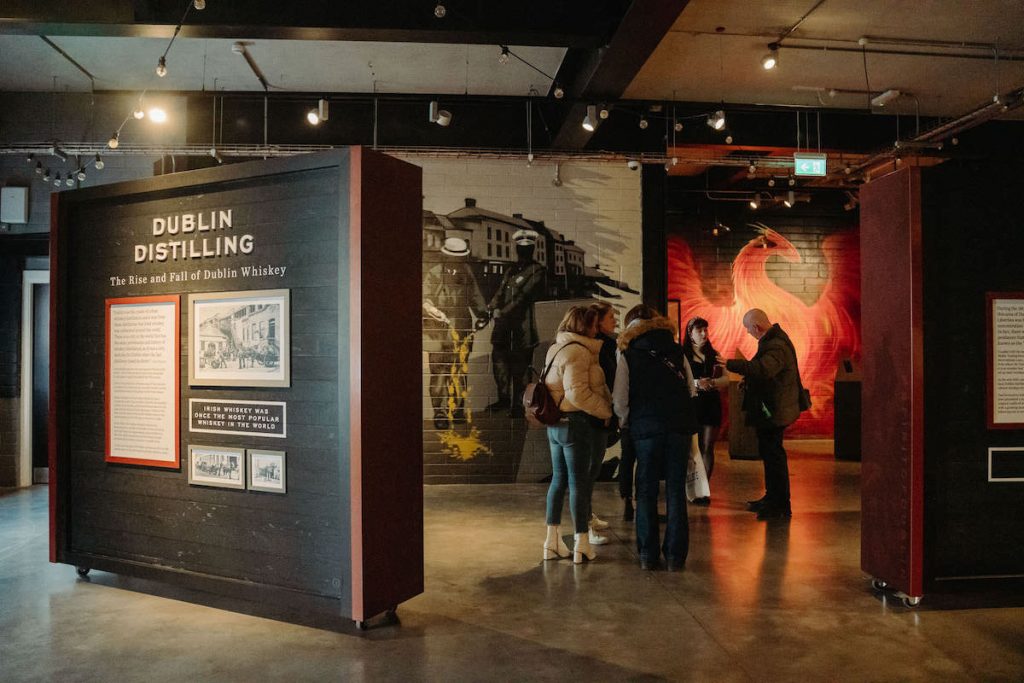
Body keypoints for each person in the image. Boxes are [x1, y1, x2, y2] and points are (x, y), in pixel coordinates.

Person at [613, 304, 697, 571]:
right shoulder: (677, 350)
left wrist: (627, 423)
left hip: (645, 428)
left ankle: (648, 555)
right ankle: (675, 556)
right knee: (675, 490)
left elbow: (620, 399)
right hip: (678, 427)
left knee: (646, 490)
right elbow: (691, 389)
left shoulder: (628, 354)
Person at [542, 305, 614, 564]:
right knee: (578, 483)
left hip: (556, 425)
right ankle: (581, 543)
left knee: (559, 481)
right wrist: (605, 410)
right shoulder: (579, 352)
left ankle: (551, 542)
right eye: (594, 325)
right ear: (585, 326)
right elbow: (577, 393)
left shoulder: (556, 348)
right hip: (576, 424)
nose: (598, 329)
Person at [724, 308, 801, 520]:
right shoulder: (773, 341)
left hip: (775, 411)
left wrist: (730, 364)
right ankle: (772, 497)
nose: (749, 333)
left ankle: (780, 505)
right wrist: (748, 381)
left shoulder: (775, 345)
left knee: (774, 456)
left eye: (748, 329)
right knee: (770, 455)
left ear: (757, 327)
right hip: (773, 409)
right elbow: (766, 373)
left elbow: (764, 369)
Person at [422, 236, 487, 430]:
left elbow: (475, 297)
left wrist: (483, 314)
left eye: (460, 258)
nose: (458, 262)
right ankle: (440, 412)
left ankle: (457, 409)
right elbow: (424, 299)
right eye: (454, 258)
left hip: (462, 329)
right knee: (440, 372)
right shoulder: (434, 273)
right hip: (437, 333)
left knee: (459, 371)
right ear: (446, 256)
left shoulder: (466, 273)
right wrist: (434, 310)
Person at [484, 229, 546, 416]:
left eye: (526, 249)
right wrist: (491, 307)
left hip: (522, 329)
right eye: (520, 248)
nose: (522, 251)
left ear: (532, 250)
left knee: (520, 369)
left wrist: (500, 312)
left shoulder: (537, 270)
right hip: (503, 328)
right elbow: (501, 292)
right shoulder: (511, 269)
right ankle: (503, 400)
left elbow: (523, 296)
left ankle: (519, 405)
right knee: (500, 365)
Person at [681, 316, 728, 505]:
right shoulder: (683, 354)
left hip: (711, 402)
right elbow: (679, 379)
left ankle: (704, 489)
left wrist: (713, 383)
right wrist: (696, 383)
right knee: (692, 448)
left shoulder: (714, 354)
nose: (704, 334)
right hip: (692, 403)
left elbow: (726, 378)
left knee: (708, 446)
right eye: (699, 330)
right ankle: (691, 487)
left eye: (706, 330)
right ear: (690, 333)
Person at [586, 301, 617, 538]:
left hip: (600, 413)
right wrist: (606, 411)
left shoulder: (605, 345)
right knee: (588, 470)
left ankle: (586, 517)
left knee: (591, 468)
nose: (614, 321)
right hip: (595, 415)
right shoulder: (597, 348)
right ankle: (583, 525)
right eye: (611, 318)